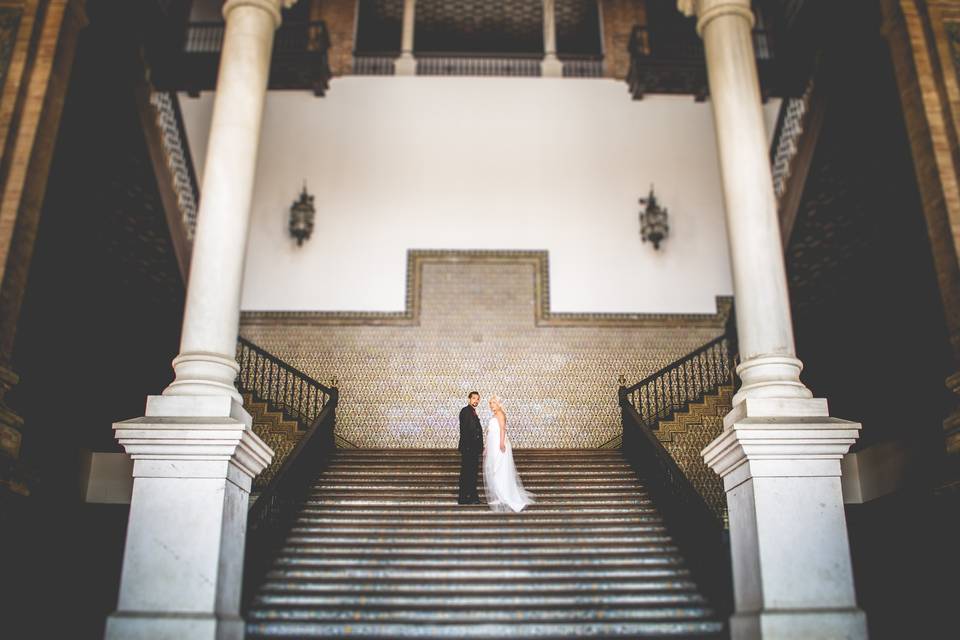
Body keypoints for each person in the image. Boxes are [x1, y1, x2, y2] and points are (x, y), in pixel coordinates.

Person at [483, 395, 534, 512]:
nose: (491, 406)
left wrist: (501, 443)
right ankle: (499, 495)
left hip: (499, 445)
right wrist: (486, 446)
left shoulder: (501, 414)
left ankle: (505, 495)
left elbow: (502, 429)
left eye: (493, 403)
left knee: (500, 469)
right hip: (492, 446)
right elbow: (489, 432)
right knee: (494, 470)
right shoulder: (494, 415)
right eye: (490, 404)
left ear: (498, 404)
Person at [457, 391, 484, 504]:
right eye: (474, 398)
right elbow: (465, 431)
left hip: (473, 449)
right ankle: (464, 498)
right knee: (467, 473)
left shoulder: (472, 412)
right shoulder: (465, 411)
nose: (476, 401)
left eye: (477, 399)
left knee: (472, 473)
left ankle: (471, 497)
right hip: (469, 449)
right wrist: (469, 448)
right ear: (469, 399)